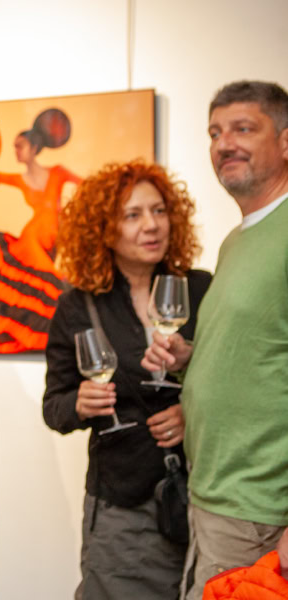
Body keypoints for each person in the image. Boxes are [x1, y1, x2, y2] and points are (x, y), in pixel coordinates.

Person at [142, 80, 288, 600]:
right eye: (214, 132)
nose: (224, 144)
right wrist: (190, 358)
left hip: (260, 510)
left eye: (243, 129)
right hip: (216, 497)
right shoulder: (237, 240)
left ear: (286, 140)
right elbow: (259, 352)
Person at [44, 159, 210, 599]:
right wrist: (78, 404)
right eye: (132, 215)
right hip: (123, 509)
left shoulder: (200, 289)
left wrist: (191, 411)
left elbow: (234, 378)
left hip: (205, 498)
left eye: (159, 211)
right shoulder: (78, 307)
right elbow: (54, 408)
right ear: (104, 229)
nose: (151, 225)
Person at [0, 109, 83, 353]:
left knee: (36, 294)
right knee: (51, 287)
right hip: (32, 240)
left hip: (50, 242)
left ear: (33, 147)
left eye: (19, 146)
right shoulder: (21, 179)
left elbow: (87, 184)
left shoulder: (58, 173)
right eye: (15, 147)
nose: (16, 151)